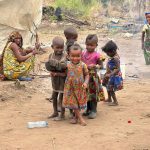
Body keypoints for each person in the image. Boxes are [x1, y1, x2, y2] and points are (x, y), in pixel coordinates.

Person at [63, 44, 89, 126]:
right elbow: (63, 74)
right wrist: (55, 73)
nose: (75, 58)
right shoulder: (67, 65)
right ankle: (81, 118)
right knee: (74, 103)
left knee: (78, 103)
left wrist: (85, 82)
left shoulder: (83, 65)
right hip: (70, 88)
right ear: (68, 56)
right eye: (73, 56)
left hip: (80, 88)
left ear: (81, 55)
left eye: (78, 56)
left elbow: (87, 75)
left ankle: (75, 117)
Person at [82, 34, 105, 119]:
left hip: (93, 78)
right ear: (85, 43)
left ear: (96, 45)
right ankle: (88, 109)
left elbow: (102, 66)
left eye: (92, 45)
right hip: (85, 77)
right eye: (88, 45)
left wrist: (95, 66)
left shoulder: (98, 55)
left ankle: (94, 110)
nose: (89, 47)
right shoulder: (83, 53)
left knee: (93, 95)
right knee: (86, 94)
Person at [45, 36, 67, 120]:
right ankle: (55, 112)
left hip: (62, 80)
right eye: (57, 48)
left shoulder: (65, 56)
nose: (59, 50)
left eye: (61, 48)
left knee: (61, 97)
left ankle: (62, 114)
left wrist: (55, 65)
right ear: (52, 47)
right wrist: (51, 70)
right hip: (54, 81)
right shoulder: (51, 55)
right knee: (54, 96)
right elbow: (49, 66)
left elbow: (64, 66)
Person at [102, 40, 123, 106]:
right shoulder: (112, 56)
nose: (107, 54)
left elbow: (118, 68)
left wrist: (110, 74)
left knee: (110, 88)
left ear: (113, 51)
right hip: (110, 75)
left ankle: (115, 101)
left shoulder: (116, 58)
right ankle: (109, 98)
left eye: (108, 53)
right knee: (107, 86)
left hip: (114, 76)